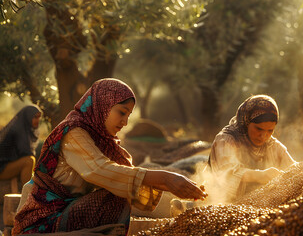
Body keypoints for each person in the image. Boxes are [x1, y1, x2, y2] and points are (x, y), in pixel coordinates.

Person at [13, 78, 206, 235]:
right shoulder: (74, 132)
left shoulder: (101, 139)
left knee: (122, 191)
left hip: (66, 210)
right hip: (44, 218)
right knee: (115, 197)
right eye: (121, 112)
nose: (124, 122)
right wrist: (165, 177)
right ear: (103, 106)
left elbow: (126, 175)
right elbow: (101, 170)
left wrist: (177, 186)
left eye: (128, 115)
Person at [208, 94, 295, 202]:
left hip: (257, 208)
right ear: (246, 122)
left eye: (270, 131)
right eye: (259, 129)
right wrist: (259, 175)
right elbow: (225, 172)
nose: (263, 136)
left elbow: (294, 168)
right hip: (218, 204)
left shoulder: (272, 145)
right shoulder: (226, 140)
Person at [0, 105, 42, 187]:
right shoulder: (18, 130)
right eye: (35, 117)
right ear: (28, 117)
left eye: (39, 117)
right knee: (29, 161)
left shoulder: (23, 127)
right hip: (2, 169)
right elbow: (25, 153)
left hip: (6, 166)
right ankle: (27, 196)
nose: (38, 120)